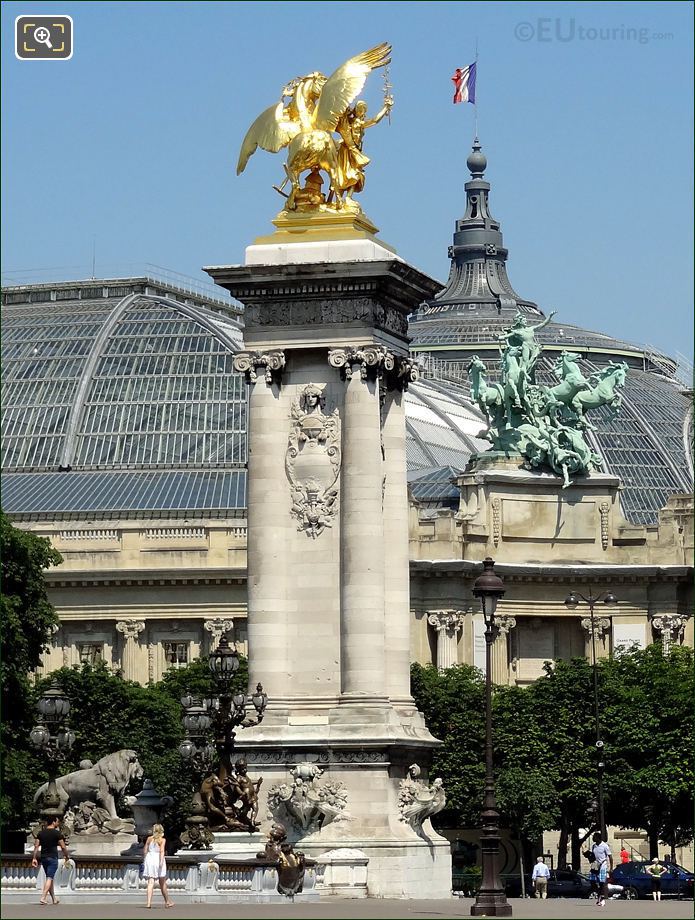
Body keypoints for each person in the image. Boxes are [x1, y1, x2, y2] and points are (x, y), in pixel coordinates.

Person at [31, 816, 70, 905]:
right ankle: (43, 897)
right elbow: (63, 846)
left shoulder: (40, 833)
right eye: (57, 821)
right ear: (53, 822)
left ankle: (54, 899)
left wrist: (34, 858)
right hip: (53, 857)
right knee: (50, 877)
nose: (58, 823)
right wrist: (66, 856)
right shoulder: (57, 833)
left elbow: (36, 846)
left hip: (44, 857)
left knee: (50, 877)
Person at [142, 823, 174, 909]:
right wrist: (161, 861)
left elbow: (145, 850)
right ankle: (167, 901)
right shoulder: (162, 840)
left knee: (150, 882)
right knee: (162, 882)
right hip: (157, 859)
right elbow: (162, 851)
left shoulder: (149, 839)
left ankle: (148, 903)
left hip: (150, 858)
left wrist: (145, 860)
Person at [591, 832, 613, 908]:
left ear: (598, 838)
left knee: (602, 882)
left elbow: (610, 857)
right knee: (593, 882)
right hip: (595, 865)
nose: (593, 838)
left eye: (594, 837)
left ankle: (602, 898)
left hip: (603, 865)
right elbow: (593, 856)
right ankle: (599, 894)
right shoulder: (594, 846)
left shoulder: (604, 846)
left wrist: (611, 868)